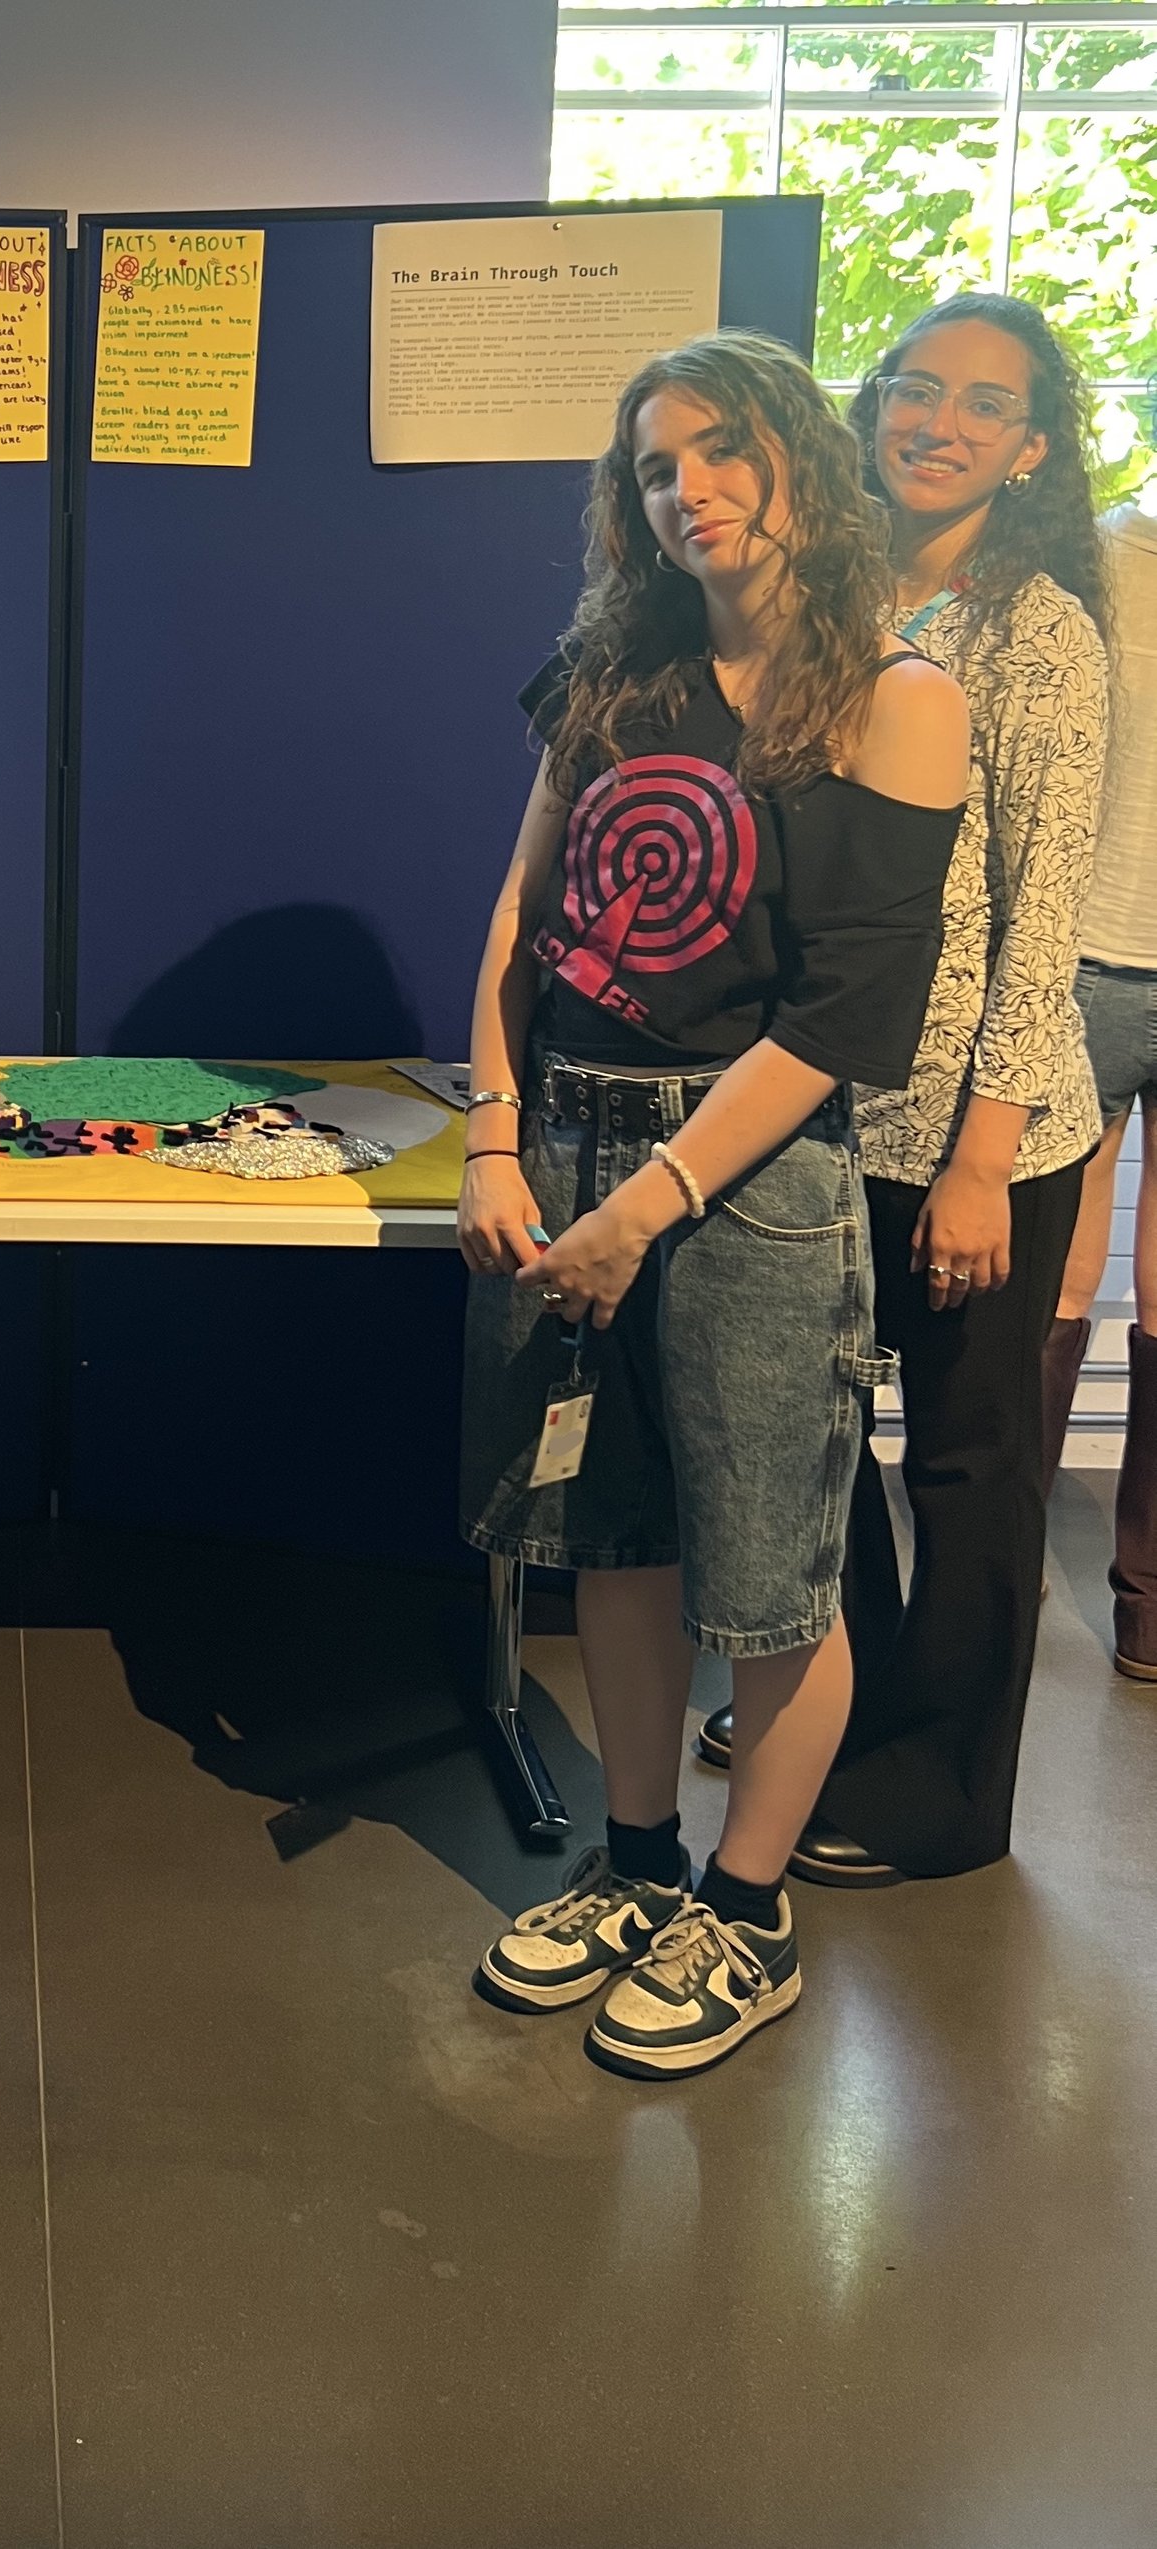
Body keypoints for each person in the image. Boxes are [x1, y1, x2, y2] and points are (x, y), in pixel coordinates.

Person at [459, 335, 966, 2081]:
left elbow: (842, 1019)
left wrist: (652, 1198)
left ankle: (747, 1914)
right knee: (613, 1538)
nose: (690, 491)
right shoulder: (615, 665)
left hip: (750, 1180)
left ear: (799, 459)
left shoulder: (898, 697)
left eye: (722, 450)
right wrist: (497, 1134)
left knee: (770, 1578)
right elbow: (519, 916)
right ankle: (637, 1865)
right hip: (570, 1143)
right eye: (656, 466)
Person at [695, 294, 1107, 1880]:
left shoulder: (1040, 636)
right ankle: (840, 1718)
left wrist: (983, 1159)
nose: (939, 422)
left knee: (965, 1462)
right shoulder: (824, 600)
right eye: (917, 389)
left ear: (1031, 447)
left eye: (984, 404)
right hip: (815, 1105)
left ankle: (942, 1792)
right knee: (817, 1446)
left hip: (974, 1133)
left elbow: (1042, 913)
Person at [1048, 483, 1157, 1679]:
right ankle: (997, 1572)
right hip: (1079, 962)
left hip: (1089, 958)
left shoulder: (1089, 553)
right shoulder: (1084, 553)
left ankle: (1144, 1605)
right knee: (1053, 1287)